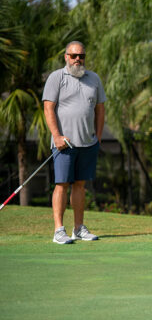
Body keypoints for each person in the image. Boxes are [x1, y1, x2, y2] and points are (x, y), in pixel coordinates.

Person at [43, 41, 106, 244]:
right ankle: (58, 230)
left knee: (80, 185)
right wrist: (56, 136)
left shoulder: (93, 79)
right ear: (66, 57)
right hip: (64, 144)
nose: (78, 59)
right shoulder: (56, 77)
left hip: (88, 143)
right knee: (61, 184)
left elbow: (100, 109)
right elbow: (48, 108)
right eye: (73, 55)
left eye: (81, 56)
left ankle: (78, 228)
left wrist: (98, 136)